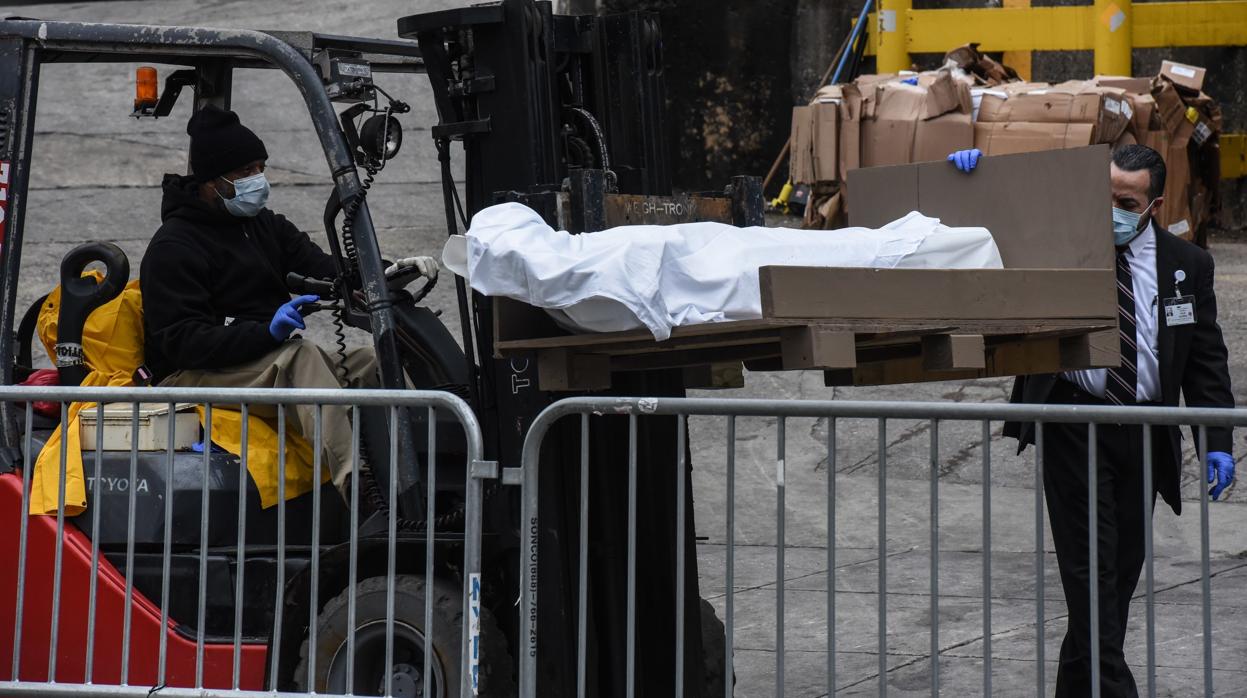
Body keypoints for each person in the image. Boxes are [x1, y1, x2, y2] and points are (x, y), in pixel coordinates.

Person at [949, 145, 1236, 696]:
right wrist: (978, 175)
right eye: (1102, 196)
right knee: (1090, 575)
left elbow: (1205, 359)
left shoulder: (1187, 264)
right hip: (1074, 425)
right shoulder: (1059, 243)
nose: (1110, 210)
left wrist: (1215, 437)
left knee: (1118, 578)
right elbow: (992, 231)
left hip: (1147, 432)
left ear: (1152, 204)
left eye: (1125, 201)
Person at [140, 105, 435, 502]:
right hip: (193, 375)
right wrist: (265, 332)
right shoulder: (173, 248)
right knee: (301, 356)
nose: (257, 180)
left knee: (370, 360)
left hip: (256, 363)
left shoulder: (263, 225)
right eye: (245, 172)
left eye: (260, 168)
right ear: (213, 182)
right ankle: (360, 486)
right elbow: (183, 342)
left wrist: (387, 271)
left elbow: (328, 267)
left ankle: (429, 467)